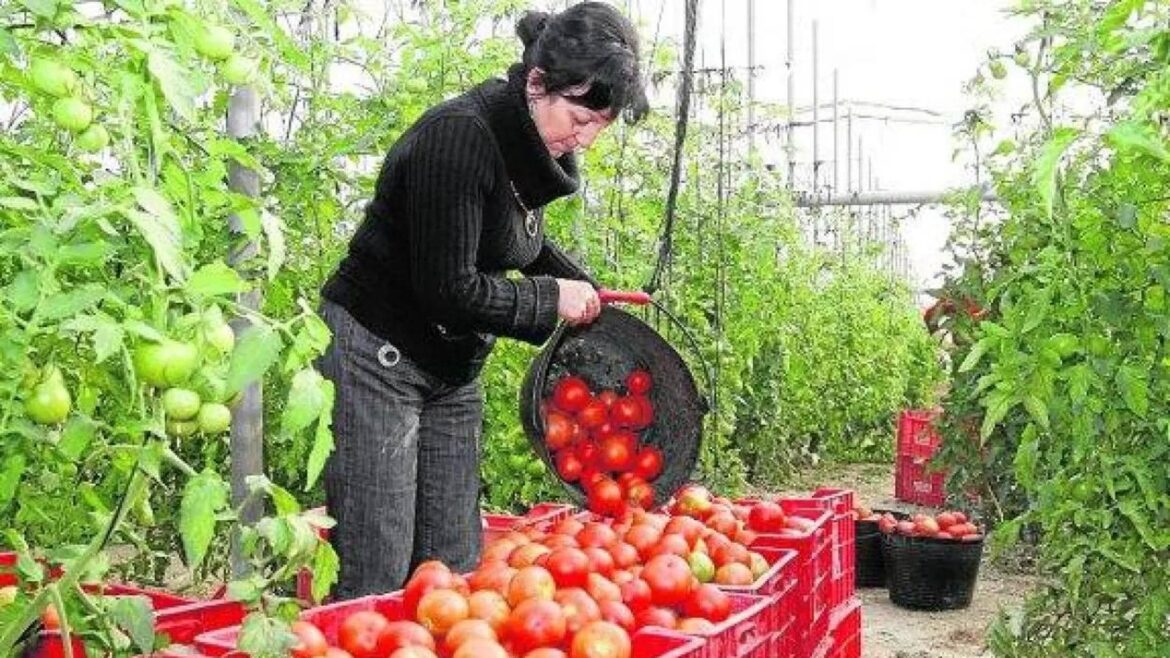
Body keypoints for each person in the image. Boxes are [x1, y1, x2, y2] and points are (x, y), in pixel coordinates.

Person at [316, 2, 649, 599]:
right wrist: (550, 299)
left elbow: (516, 237)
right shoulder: (461, 137)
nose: (587, 138)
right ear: (536, 83)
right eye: (580, 116)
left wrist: (584, 286)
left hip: (450, 366)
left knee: (452, 567)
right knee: (376, 568)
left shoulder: (529, 144)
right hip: (377, 353)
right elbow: (449, 290)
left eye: (600, 124)